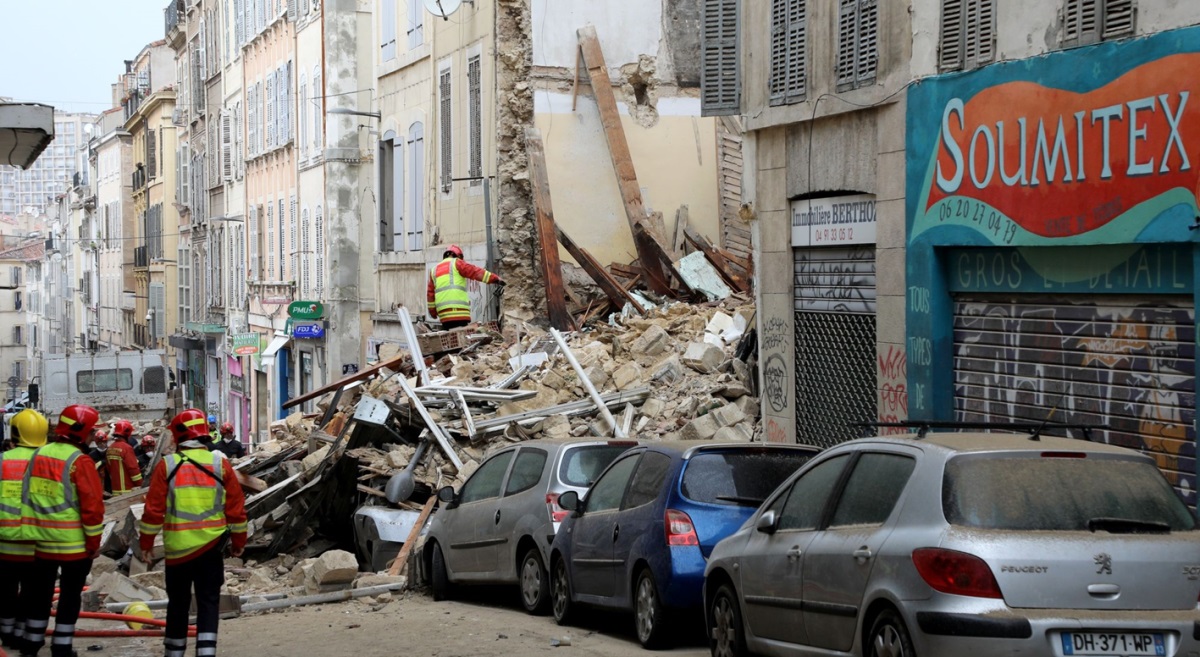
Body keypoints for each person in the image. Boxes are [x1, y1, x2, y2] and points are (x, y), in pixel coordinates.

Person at [137, 409, 247, 657]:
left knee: (178, 603)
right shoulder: (221, 465)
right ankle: (206, 653)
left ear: (177, 437)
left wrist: (145, 544)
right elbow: (237, 510)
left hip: (178, 551)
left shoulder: (167, 466)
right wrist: (239, 542)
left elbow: (152, 512)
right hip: (210, 548)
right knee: (208, 602)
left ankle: (173, 653)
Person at [22, 404, 105, 657]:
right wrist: (93, 544)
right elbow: (92, 509)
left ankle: (31, 643)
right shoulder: (80, 461)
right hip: (73, 546)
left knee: (39, 595)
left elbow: (27, 495)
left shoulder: (39, 455)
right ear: (80, 432)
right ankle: (61, 646)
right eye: (91, 432)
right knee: (69, 597)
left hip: (41, 542)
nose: (93, 436)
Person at [0, 410, 48, 652]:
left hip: (4, 543)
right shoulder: (48, 462)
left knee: (6, 591)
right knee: (33, 593)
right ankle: (25, 635)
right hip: (37, 545)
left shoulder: (2, 460)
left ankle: (7, 634)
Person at [426, 244, 505, 329]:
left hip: (444, 315)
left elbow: (430, 295)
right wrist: (495, 279)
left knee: (450, 339)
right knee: (461, 339)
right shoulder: (457, 263)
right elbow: (475, 272)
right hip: (459, 313)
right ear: (458, 255)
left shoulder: (434, 270)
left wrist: (433, 313)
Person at [106, 420, 144, 496]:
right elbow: (133, 470)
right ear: (127, 434)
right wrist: (141, 486)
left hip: (115, 492)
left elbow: (109, 470)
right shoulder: (127, 448)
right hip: (128, 492)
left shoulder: (110, 448)